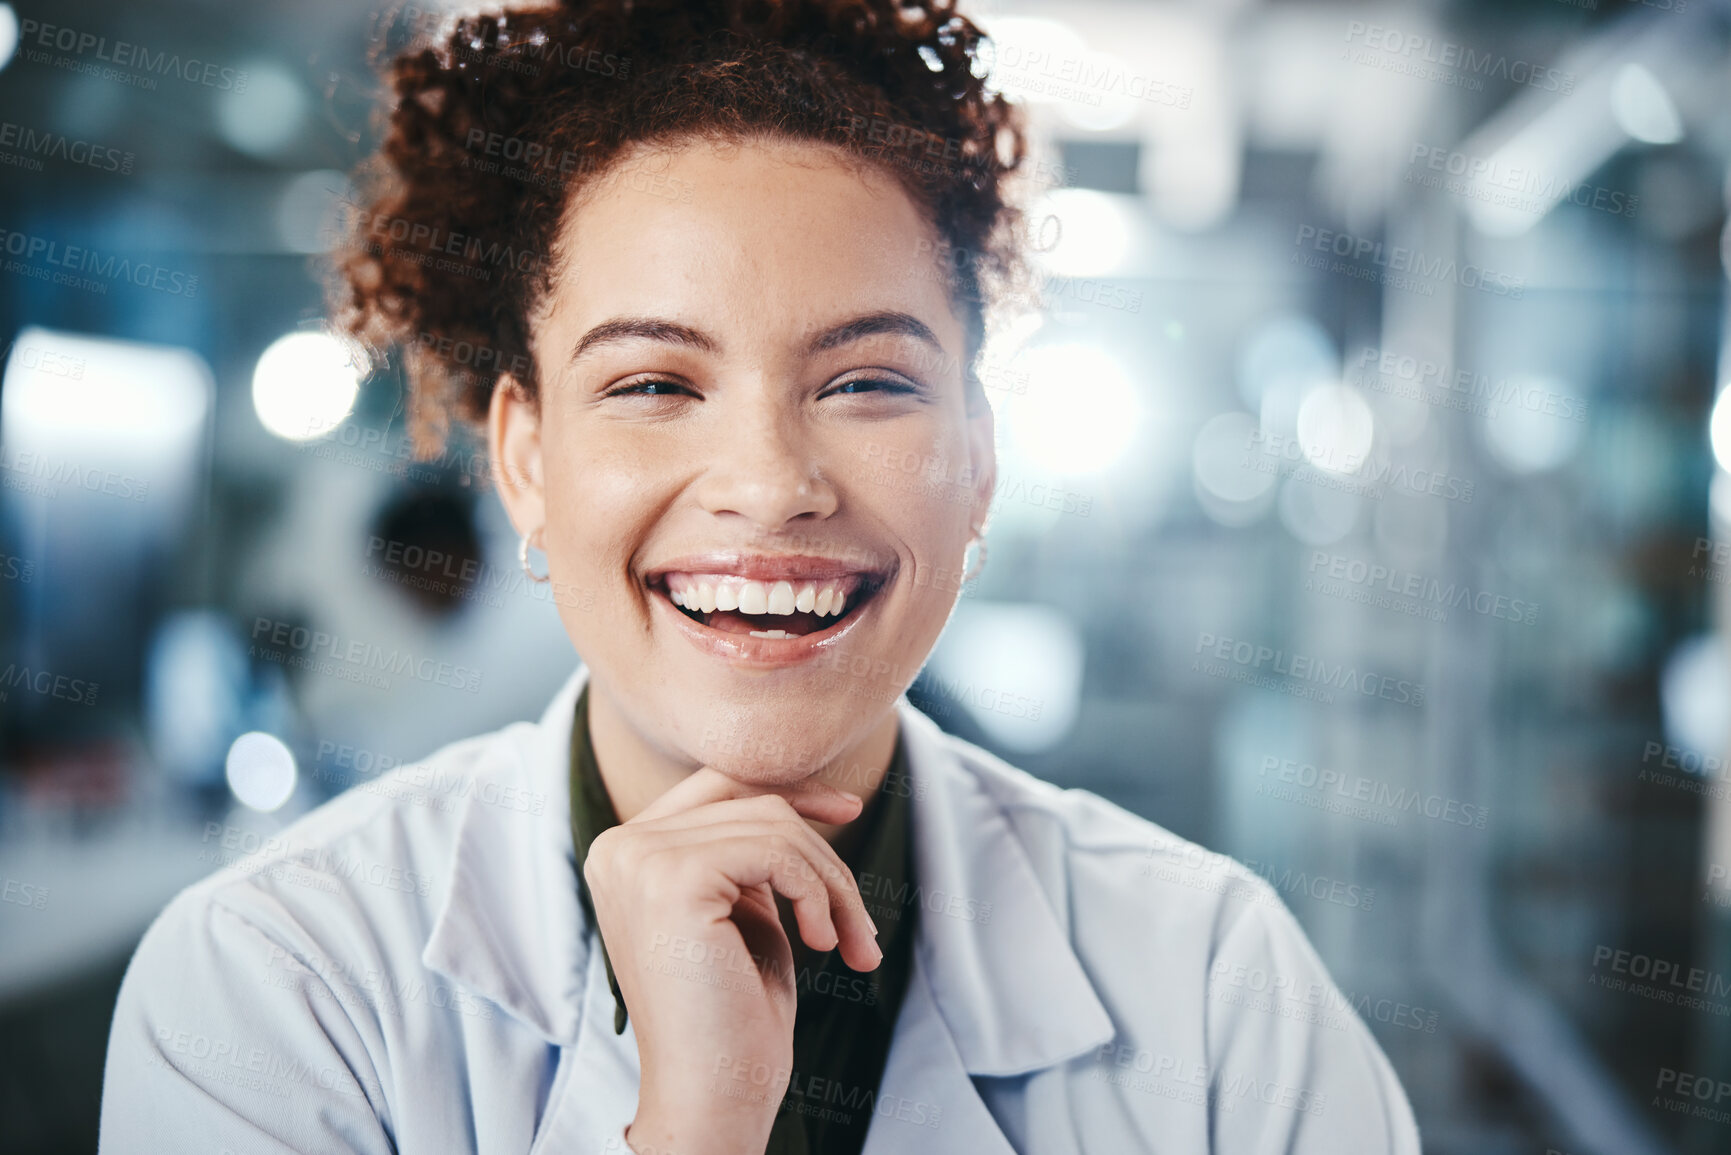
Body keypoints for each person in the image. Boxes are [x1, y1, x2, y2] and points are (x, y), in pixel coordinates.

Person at [99, 1, 1422, 1151]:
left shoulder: (1214, 992)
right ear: (526, 464)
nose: (771, 481)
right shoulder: (274, 986)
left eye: (866, 382)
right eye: (654, 384)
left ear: (977, 464)